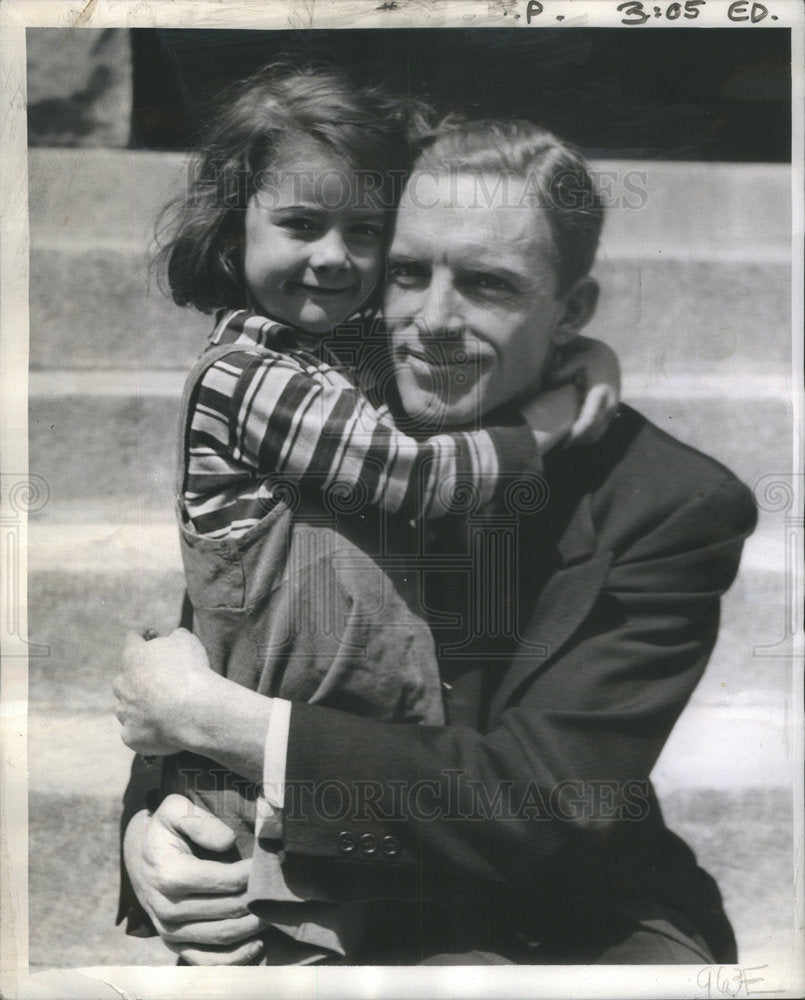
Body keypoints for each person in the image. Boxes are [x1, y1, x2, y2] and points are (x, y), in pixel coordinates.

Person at [114, 117, 757, 965]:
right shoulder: (322, 432)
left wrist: (222, 722)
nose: (432, 320)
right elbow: (236, 644)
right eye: (409, 273)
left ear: (570, 310)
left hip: (563, 918)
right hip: (324, 894)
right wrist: (150, 836)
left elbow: (542, 804)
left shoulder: (668, 502)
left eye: (487, 284)